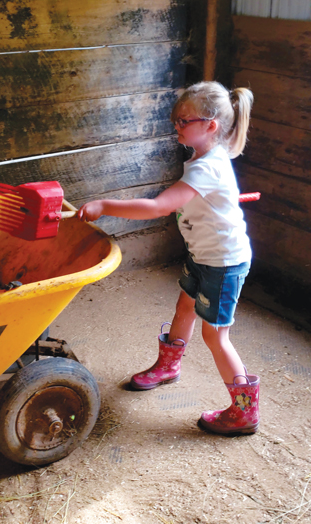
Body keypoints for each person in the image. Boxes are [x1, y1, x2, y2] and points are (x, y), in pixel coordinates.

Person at [77, 81, 260, 436]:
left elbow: (160, 207)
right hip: (204, 255)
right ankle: (168, 368)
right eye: (175, 120)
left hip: (223, 263)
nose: (176, 126)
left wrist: (105, 206)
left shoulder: (206, 168)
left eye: (183, 121)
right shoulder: (203, 158)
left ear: (211, 125)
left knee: (216, 337)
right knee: (184, 309)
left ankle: (244, 412)